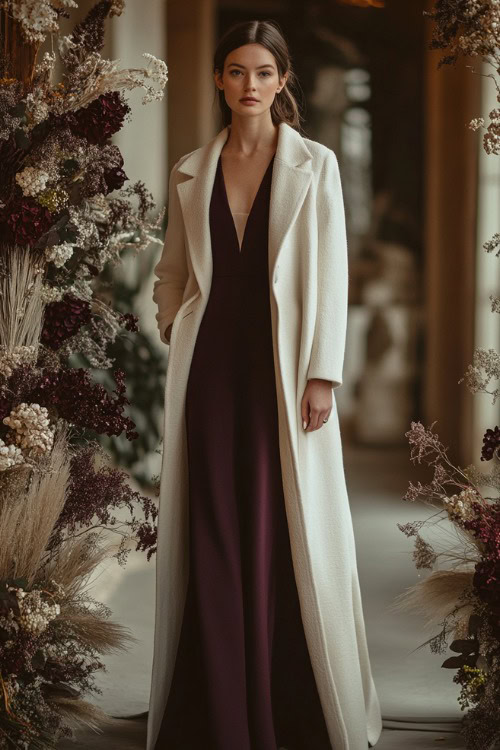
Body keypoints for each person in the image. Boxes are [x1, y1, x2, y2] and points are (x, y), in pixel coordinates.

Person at [147, 18, 382, 750]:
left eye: (263, 72)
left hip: (287, 373)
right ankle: (217, 707)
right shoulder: (192, 167)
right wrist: (167, 316)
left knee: (285, 522)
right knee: (214, 518)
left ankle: (290, 701)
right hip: (211, 364)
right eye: (237, 72)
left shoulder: (315, 164)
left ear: (282, 81)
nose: (250, 85)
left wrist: (323, 373)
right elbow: (174, 268)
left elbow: (333, 273)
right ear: (220, 80)